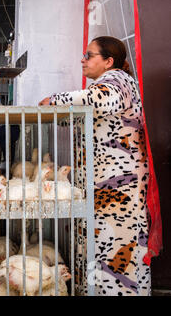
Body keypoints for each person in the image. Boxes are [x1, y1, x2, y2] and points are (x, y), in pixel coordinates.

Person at [39, 36, 154, 296]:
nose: (83, 60)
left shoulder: (117, 82)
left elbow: (97, 100)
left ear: (108, 61)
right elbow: (90, 114)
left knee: (119, 256)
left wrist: (54, 101)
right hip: (107, 188)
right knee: (103, 252)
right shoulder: (108, 85)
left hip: (120, 190)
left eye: (89, 55)